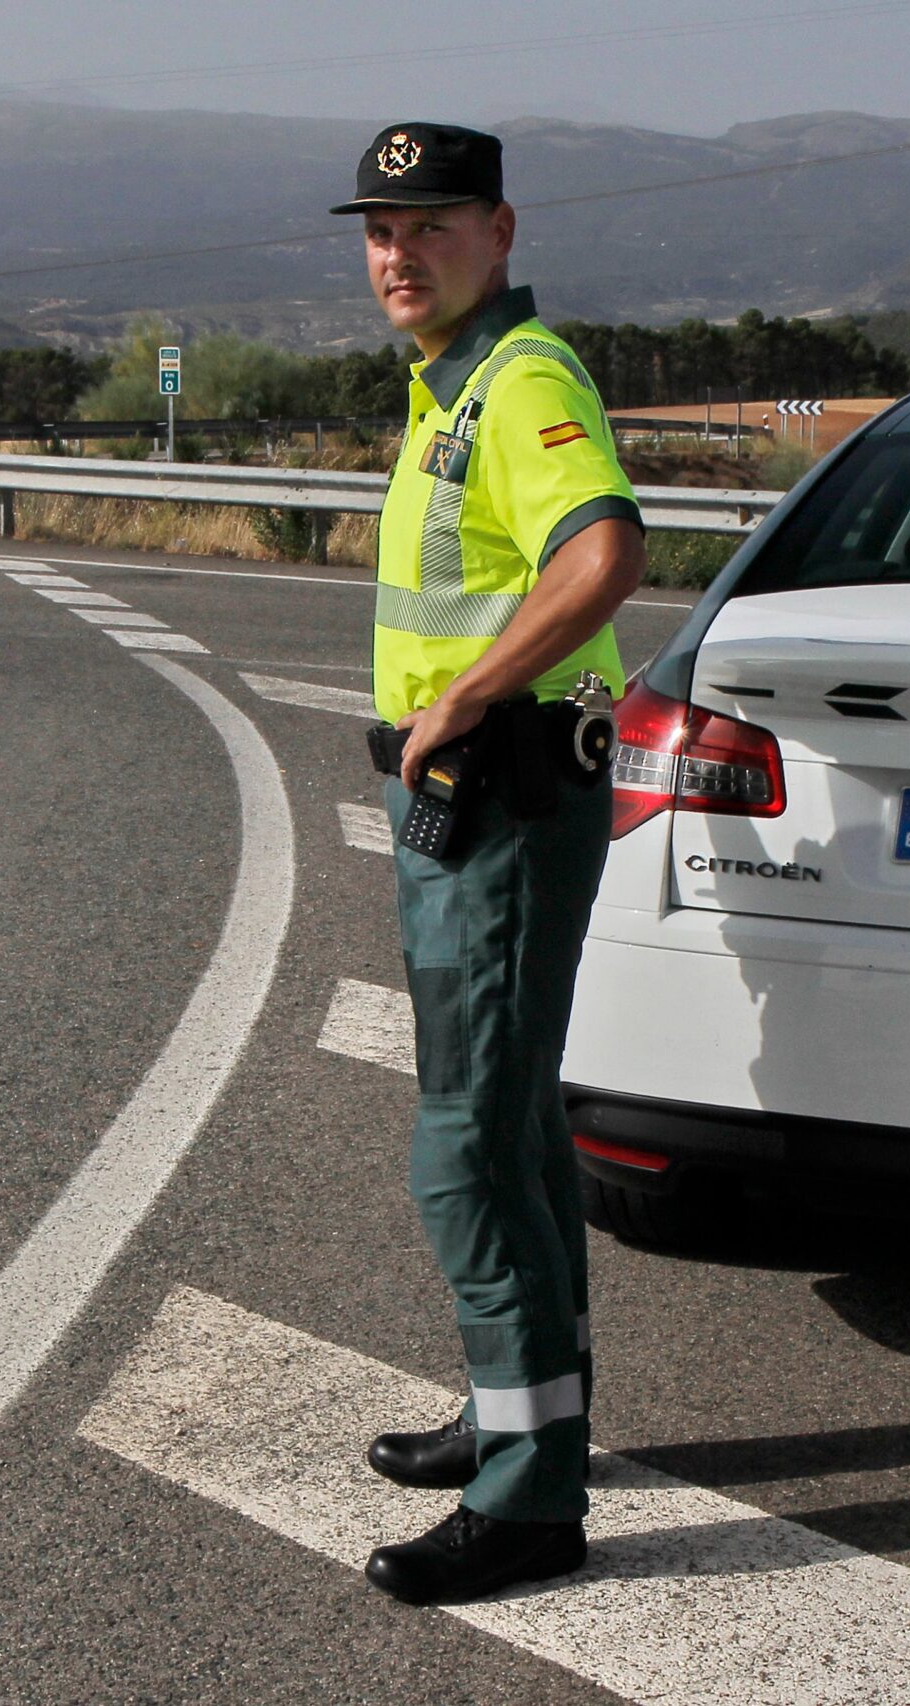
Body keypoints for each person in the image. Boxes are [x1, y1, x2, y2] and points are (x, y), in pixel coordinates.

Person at [329, 122, 646, 1606]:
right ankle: (523, 1413)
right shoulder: (444, 382)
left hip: (504, 806)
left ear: (502, 232)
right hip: (463, 809)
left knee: (466, 1149)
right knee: (509, 1128)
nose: (401, 254)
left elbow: (602, 553)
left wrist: (457, 702)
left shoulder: (521, 383)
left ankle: (533, 1500)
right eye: (383, 231)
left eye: (433, 226)